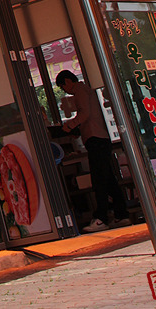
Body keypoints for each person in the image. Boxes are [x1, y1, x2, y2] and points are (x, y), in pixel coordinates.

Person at [57, 69, 130, 232]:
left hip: (95, 139)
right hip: (100, 138)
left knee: (99, 180)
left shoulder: (80, 90)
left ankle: (101, 218)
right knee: (108, 179)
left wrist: (70, 125)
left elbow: (85, 113)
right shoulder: (85, 90)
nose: (65, 91)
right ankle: (121, 214)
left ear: (68, 81)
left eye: (63, 87)